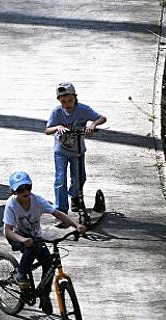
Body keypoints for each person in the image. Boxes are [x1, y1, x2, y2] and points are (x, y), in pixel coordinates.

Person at [3, 170, 86, 315]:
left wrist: (76, 225)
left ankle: (44, 295)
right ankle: (21, 274)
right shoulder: (11, 204)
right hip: (16, 236)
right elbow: (8, 231)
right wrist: (22, 239)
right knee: (32, 246)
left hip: (35, 238)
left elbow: (58, 214)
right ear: (13, 192)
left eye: (27, 187)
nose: (25, 192)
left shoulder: (37, 200)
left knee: (49, 264)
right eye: (20, 189)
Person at [45, 82, 107, 228]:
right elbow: (47, 130)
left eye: (70, 100)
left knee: (79, 177)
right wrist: (57, 127)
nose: (67, 104)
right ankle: (62, 211)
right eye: (63, 101)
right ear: (59, 101)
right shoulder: (56, 112)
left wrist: (92, 125)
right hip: (60, 151)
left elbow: (102, 118)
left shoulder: (83, 110)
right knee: (60, 179)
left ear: (75, 97)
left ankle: (74, 196)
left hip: (78, 151)